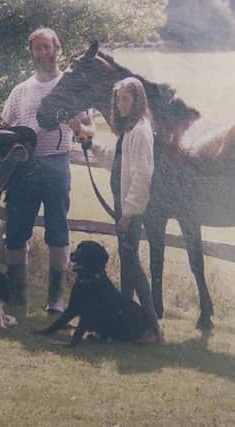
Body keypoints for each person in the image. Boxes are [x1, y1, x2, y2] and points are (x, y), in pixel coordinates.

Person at [0, 28, 94, 314]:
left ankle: (55, 299)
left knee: (57, 232)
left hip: (56, 165)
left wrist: (79, 127)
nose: (43, 53)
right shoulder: (21, 90)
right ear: (31, 52)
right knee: (16, 233)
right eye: (37, 48)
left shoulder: (71, 87)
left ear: (57, 49)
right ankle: (17, 298)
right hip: (23, 168)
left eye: (47, 47)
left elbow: (89, 130)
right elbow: (3, 128)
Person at [82, 76, 163, 343]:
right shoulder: (128, 131)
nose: (119, 105)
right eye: (117, 100)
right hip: (123, 207)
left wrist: (128, 213)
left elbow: (142, 176)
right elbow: (115, 161)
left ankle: (153, 328)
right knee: (129, 268)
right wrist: (89, 142)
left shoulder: (140, 131)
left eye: (125, 99)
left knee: (134, 269)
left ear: (137, 101)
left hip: (130, 210)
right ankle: (128, 325)